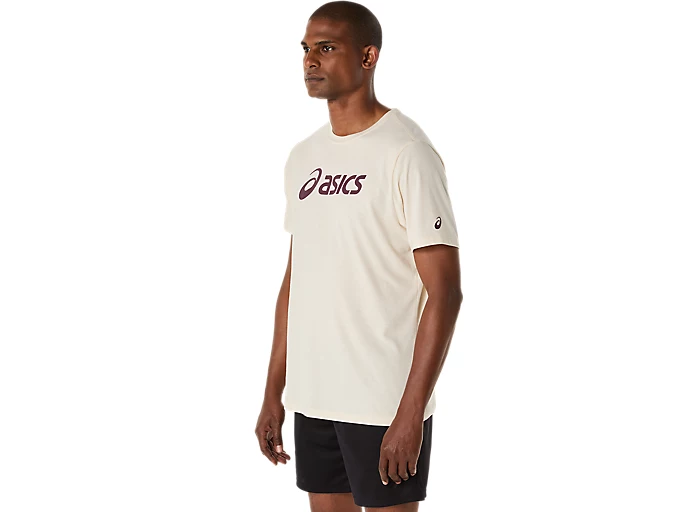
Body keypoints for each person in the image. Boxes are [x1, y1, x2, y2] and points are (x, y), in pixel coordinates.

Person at [255, 2, 463, 510]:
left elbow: (446, 293)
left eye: (327, 48)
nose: (311, 60)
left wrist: (411, 413)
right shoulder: (303, 157)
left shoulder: (406, 153)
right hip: (314, 398)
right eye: (306, 49)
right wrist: (273, 391)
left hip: (382, 403)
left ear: (368, 57)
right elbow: (296, 280)